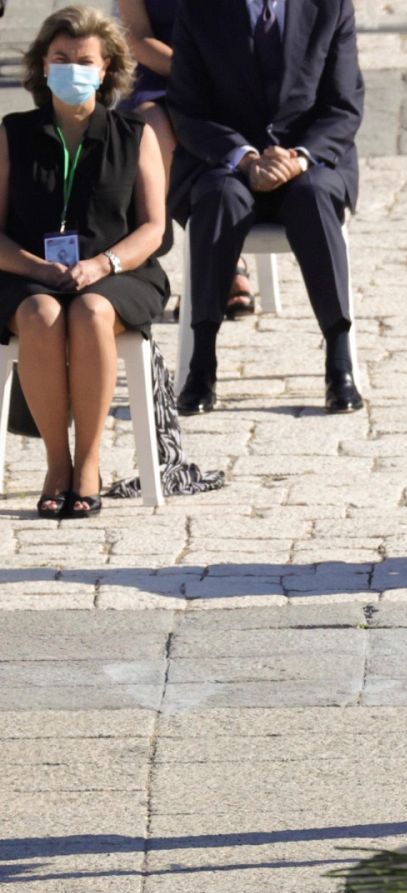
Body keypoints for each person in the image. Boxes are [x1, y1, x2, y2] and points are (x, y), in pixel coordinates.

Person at [0, 6, 168, 518]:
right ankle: (57, 463)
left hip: (120, 274)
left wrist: (103, 265)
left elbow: (154, 229)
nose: (72, 67)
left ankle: (90, 463)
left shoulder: (135, 135)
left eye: (84, 59)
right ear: (42, 67)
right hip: (29, 274)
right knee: (42, 315)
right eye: (60, 57)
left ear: (105, 69)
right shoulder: (13, 133)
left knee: (91, 311)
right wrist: (35, 268)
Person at [165, 0, 364, 415]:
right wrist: (245, 158)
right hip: (228, 162)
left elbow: (343, 105)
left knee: (313, 197)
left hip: (309, 161)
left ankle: (339, 359)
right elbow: (187, 110)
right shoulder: (200, 10)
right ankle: (202, 362)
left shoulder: (330, 6)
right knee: (219, 200)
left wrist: (298, 158)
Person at [116, 0, 257, 317]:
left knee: (214, 129)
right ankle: (151, 247)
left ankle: (221, 262)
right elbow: (137, 37)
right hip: (162, 76)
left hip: (227, 76)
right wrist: (190, 68)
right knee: (151, 129)